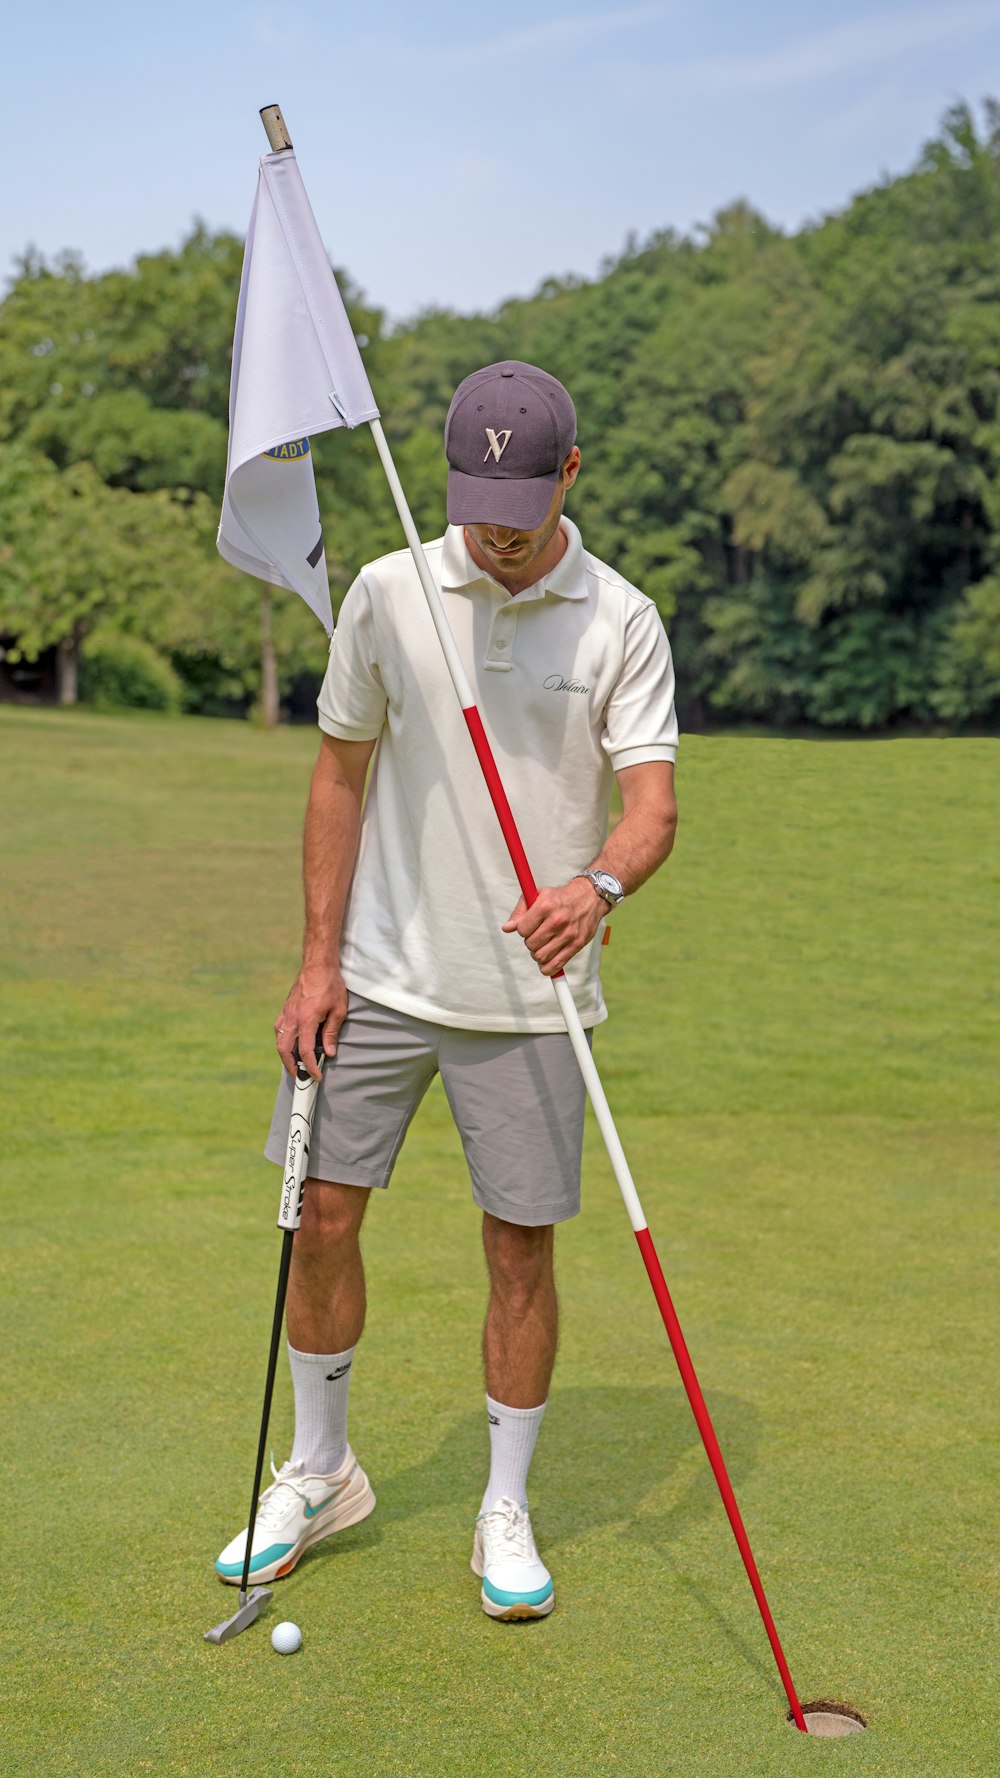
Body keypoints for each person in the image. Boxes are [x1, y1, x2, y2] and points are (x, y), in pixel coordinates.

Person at [215, 360, 678, 1619]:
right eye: (475, 496)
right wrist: (317, 956)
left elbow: (652, 808)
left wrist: (597, 886)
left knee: (517, 1247)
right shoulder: (390, 591)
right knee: (316, 1212)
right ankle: (322, 1469)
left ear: (570, 473)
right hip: (376, 975)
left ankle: (504, 1504)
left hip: (530, 998)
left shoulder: (620, 619)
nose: (495, 524)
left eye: (521, 497)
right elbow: (337, 774)